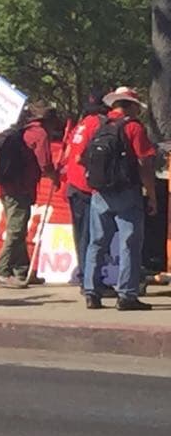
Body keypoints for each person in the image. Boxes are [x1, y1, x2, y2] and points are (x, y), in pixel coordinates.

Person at [83, 87, 157, 311]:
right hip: (127, 192)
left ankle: (91, 292)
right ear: (131, 106)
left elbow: (83, 157)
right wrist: (151, 194)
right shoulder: (134, 127)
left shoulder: (99, 126)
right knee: (129, 243)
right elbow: (145, 162)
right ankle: (126, 295)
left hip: (100, 193)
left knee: (97, 243)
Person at [0, 102, 60, 289]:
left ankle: (22, 270)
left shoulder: (22, 130)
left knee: (19, 228)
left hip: (9, 186)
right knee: (16, 230)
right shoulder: (40, 134)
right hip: (20, 187)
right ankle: (2, 270)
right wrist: (55, 177)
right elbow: (45, 163)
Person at [61, 94, 107, 289]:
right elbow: (80, 157)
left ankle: (84, 275)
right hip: (86, 186)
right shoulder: (97, 124)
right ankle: (89, 280)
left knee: (82, 235)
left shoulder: (81, 124)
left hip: (73, 185)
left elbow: (68, 154)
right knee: (91, 236)